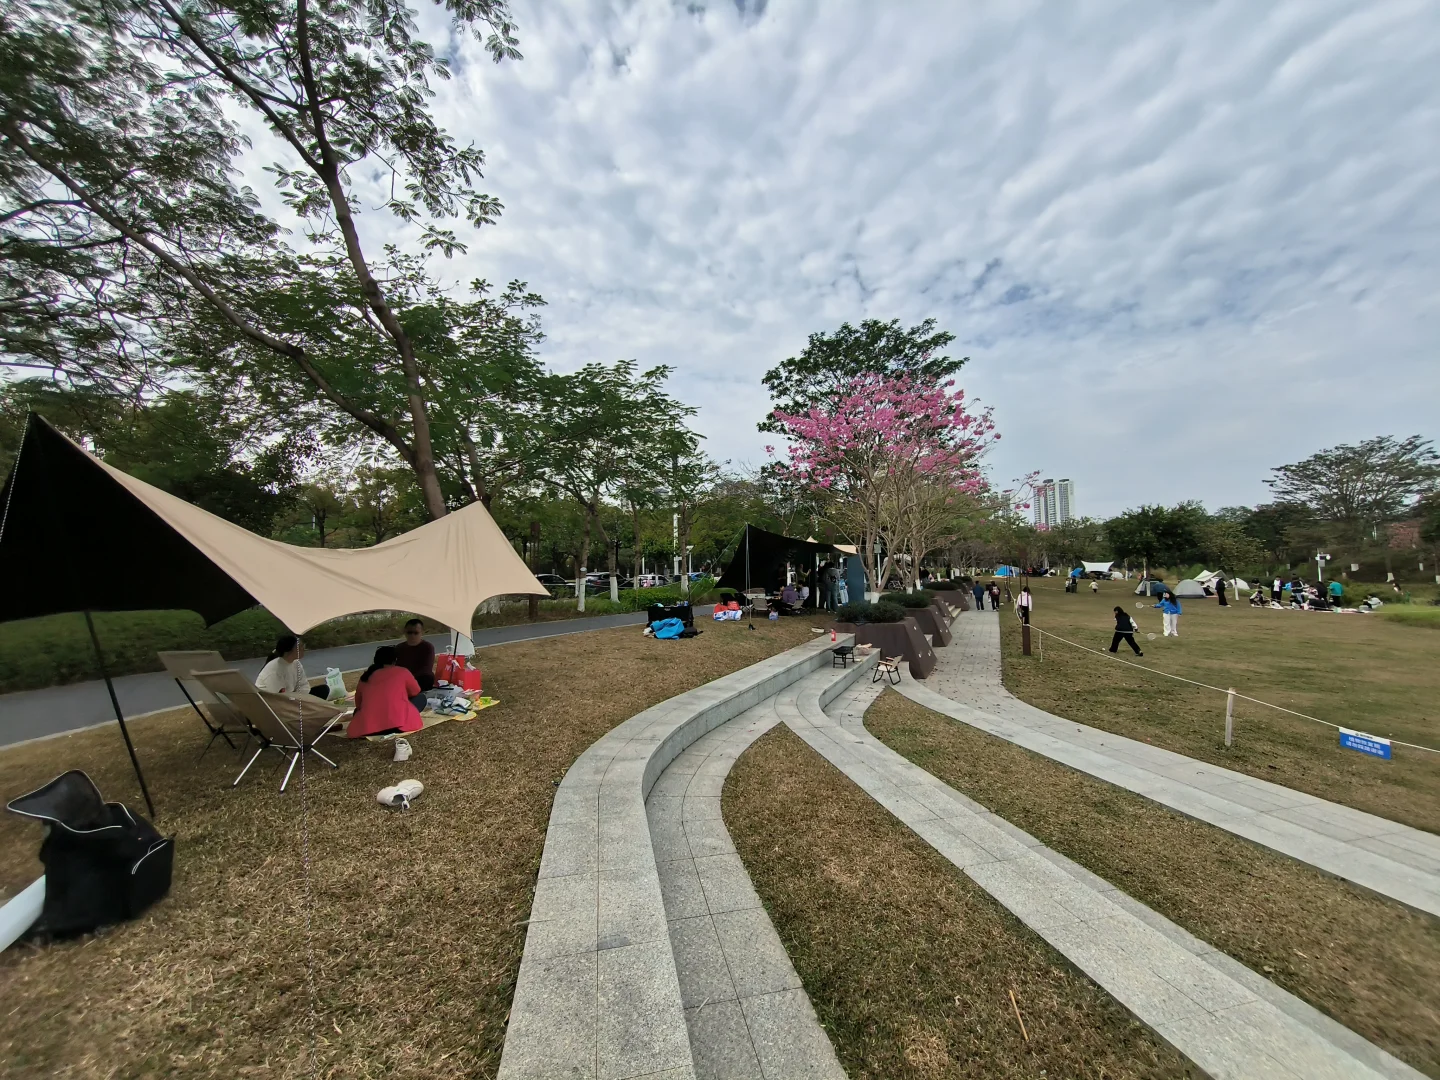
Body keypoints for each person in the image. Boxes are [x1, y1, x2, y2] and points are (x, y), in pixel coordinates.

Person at [347, 646, 426, 747]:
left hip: (368, 728)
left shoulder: (366, 676)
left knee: (357, 712)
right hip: (399, 725)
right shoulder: (402, 672)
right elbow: (416, 691)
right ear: (395, 660)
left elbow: (359, 704)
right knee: (421, 698)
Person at [256, 635, 329, 698]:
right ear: (288, 650)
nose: (303, 649)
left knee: (323, 690)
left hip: (294, 698)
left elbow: (303, 686)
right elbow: (279, 697)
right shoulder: (274, 670)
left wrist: (303, 699)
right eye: (300, 647)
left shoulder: (296, 664)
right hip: (276, 703)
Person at [395, 618, 436, 691]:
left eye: (416, 633)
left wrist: (409, 679)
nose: (412, 636)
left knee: (427, 678)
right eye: (409, 632)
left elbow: (426, 668)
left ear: (421, 633)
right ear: (405, 632)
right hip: (402, 678)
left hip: (419, 679)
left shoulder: (428, 647)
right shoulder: (399, 648)